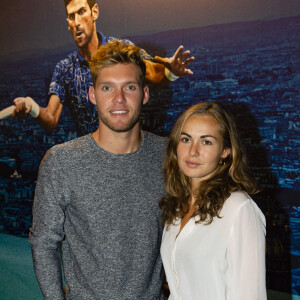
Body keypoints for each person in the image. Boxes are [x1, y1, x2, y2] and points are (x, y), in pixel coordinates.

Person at [30, 40, 167, 299]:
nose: (119, 99)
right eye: (107, 88)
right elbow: (44, 244)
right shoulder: (61, 162)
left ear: (145, 94)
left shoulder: (168, 155)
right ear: (92, 95)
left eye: (129, 87)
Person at [12, 0, 194, 136]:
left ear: (95, 12)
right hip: (92, 163)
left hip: (128, 153)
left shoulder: (121, 49)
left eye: (81, 12)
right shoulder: (65, 69)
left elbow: (154, 74)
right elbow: (50, 120)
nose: (76, 22)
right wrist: (32, 106)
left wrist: (172, 72)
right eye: (71, 16)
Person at [159, 102, 267, 300]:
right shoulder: (175, 207)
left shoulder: (239, 208)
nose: (193, 151)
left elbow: (252, 295)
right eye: (185, 139)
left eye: (206, 141)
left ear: (225, 151)